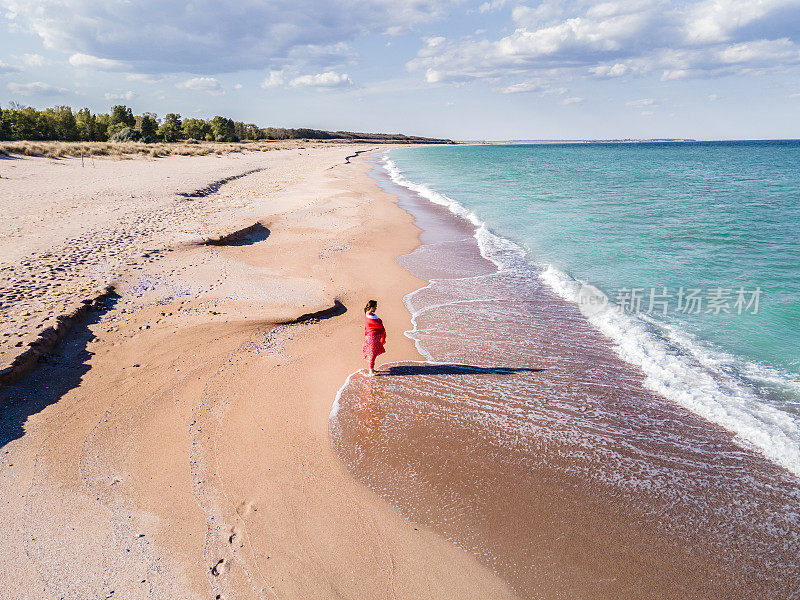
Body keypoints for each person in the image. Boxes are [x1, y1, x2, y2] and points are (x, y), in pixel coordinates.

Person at [362, 300, 386, 376]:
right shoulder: (371, 316)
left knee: (373, 353)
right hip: (372, 337)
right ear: (371, 308)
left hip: (372, 336)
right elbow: (375, 324)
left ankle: (372, 369)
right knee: (372, 354)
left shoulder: (368, 314)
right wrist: (379, 322)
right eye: (375, 307)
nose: (376, 309)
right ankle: (371, 371)